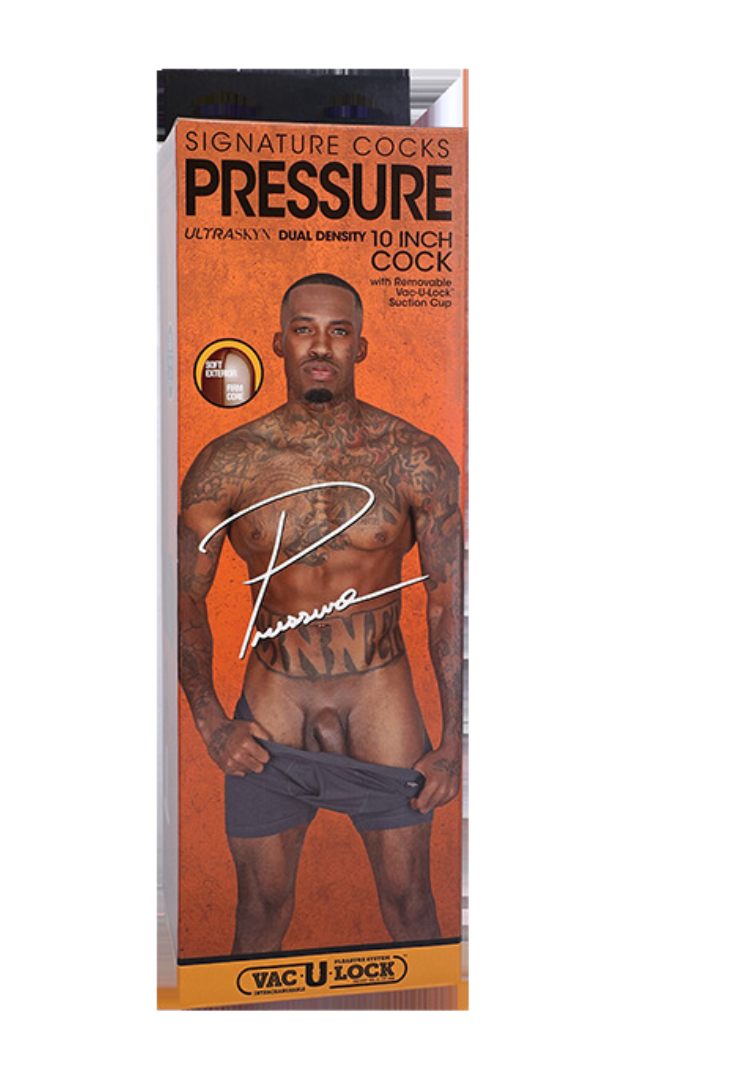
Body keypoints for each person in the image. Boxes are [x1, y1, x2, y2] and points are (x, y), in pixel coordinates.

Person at [178, 272, 462, 954]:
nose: (320, 346)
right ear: (279, 343)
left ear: (360, 347)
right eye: (304, 329)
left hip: (379, 691)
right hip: (275, 695)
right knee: (261, 910)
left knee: (412, 903)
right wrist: (211, 722)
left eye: (338, 331)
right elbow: (182, 596)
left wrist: (457, 739)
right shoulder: (228, 464)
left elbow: (449, 599)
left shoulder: (416, 459)